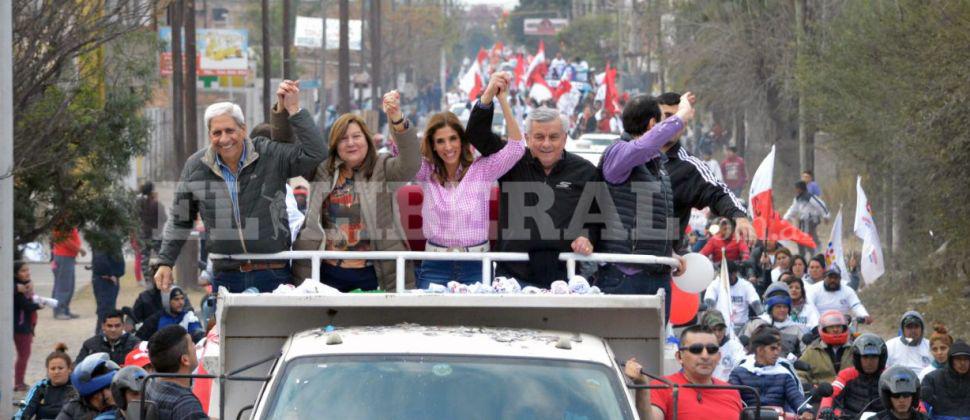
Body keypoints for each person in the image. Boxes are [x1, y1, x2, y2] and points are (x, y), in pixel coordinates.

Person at [155, 81, 326, 293]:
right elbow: (180, 219)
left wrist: (294, 110)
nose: (224, 139)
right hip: (226, 276)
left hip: (272, 272)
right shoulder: (196, 166)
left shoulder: (269, 153)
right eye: (217, 133)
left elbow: (316, 153)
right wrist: (165, 261)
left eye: (230, 130)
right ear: (209, 135)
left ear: (243, 129)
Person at [285, 91, 420, 292]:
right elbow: (291, 146)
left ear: (367, 139)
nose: (350, 143)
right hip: (325, 272)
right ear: (334, 144)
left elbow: (411, 163)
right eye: (343, 138)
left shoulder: (383, 168)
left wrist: (397, 119)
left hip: (374, 273)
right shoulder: (321, 169)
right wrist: (293, 110)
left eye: (356, 136)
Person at [464, 100, 597, 287]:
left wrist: (587, 237)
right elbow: (477, 134)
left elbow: (597, 217)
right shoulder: (512, 161)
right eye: (539, 137)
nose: (546, 144)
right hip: (512, 276)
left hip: (565, 276)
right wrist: (488, 97)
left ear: (565, 138)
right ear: (527, 138)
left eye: (553, 137)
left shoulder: (585, 171)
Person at [415, 74, 525, 287]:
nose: (448, 147)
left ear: (462, 141)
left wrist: (501, 98)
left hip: (476, 264)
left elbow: (516, 148)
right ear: (433, 145)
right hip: (435, 265)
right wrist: (395, 118)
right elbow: (402, 155)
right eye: (440, 141)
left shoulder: (481, 169)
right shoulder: (426, 171)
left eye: (453, 139)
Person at [593, 92, 695, 313]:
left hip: (657, 275)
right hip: (624, 276)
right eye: (664, 121)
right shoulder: (618, 153)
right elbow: (641, 147)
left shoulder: (658, 165)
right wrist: (682, 115)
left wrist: (669, 253)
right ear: (652, 124)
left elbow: (654, 218)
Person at [655, 92, 754, 255]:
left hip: (665, 260)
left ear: (684, 124)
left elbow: (718, 192)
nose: (672, 123)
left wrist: (740, 217)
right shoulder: (632, 154)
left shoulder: (689, 167)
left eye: (678, 117)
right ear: (653, 120)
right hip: (621, 258)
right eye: (666, 116)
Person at [648, 325, 743, 420]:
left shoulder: (732, 391)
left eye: (711, 350)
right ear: (679, 357)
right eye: (696, 350)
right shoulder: (662, 386)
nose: (705, 356)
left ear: (719, 357)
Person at [729, 327, 811, 419]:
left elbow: (796, 398)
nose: (777, 353)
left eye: (779, 348)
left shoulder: (784, 374)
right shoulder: (739, 372)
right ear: (760, 350)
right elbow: (731, 401)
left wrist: (805, 411)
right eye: (773, 348)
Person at [145, 325, 208, 419]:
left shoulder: (151, 385)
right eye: (192, 343)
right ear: (185, 360)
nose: (195, 347)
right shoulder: (188, 406)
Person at [819, 333, 888, 419]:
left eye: (874, 357)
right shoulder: (847, 374)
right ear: (857, 358)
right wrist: (825, 408)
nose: (869, 362)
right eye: (865, 357)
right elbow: (832, 392)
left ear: (881, 358)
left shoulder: (888, 376)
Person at [743, 282, 809, 357]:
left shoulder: (796, 329)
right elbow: (743, 349)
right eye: (778, 306)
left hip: (787, 363)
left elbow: (805, 353)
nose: (782, 310)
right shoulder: (756, 324)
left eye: (785, 307)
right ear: (769, 309)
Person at [16, 344, 77, 420]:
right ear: (47, 370)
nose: (56, 372)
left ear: (69, 369)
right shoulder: (40, 387)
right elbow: (23, 413)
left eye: (60, 368)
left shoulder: (77, 388)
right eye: (53, 369)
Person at [797, 310, 855, 388]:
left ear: (844, 328)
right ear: (823, 329)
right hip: (821, 392)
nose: (835, 330)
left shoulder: (854, 348)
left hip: (850, 391)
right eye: (831, 327)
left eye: (838, 326)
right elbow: (799, 373)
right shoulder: (812, 350)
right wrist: (810, 387)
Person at [703, 262, 763, 334]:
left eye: (728, 275)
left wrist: (762, 317)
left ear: (735, 273)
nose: (725, 278)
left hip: (742, 327)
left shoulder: (746, 285)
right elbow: (709, 302)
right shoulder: (715, 284)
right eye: (722, 275)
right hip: (720, 326)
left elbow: (756, 304)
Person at [56, 353, 119, 420]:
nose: (115, 390)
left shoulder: (121, 407)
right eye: (109, 387)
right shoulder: (72, 410)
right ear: (96, 394)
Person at [920, 340, 970, 417]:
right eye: (958, 359)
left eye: (966, 359)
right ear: (951, 360)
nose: (963, 363)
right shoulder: (932, 379)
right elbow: (921, 404)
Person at [136, 286, 205, 342]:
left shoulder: (189, 317)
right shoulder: (156, 320)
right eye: (176, 299)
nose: (181, 302)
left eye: (182, 298)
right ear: (167, 301)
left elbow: (197, 332)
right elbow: (140, 339)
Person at [89, 231, 125, 334]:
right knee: (105, 310)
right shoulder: (104, 236)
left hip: (111, 279)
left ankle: (104, 334)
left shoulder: (112, 234)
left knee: (108, 309)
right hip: (105, 280)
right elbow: (100, 258)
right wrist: (109, 274)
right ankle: (101, 335)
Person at [76, 309, 141, 367]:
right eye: (109, 326)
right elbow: (78, 366)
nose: (113, 330)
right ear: (103, 326)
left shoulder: (135, 344)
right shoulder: (90, 345)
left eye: (117, 326)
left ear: (123, 326)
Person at [807, 268, 872, 325]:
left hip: (843, 325)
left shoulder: (848, 290)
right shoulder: (814, 289)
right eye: (830, 277)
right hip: (820, 325)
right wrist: (817, 322)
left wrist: (864, 315)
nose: (833, 280)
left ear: (840, 279)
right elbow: (810, 307)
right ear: (824, 278)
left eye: (836, 278)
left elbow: (856, 305)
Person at [783, 181, 830, 257]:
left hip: (811, 220)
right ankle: (807, 252)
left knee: (804, 237)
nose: (796, 190)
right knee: (804, 237)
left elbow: (820, 205)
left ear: (801, 189)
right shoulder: (798, 199)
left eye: (797, 188)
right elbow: (793, 209)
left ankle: (813, 252)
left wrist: (826, 216)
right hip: (803, 221)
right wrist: (785, 218)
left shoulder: (810, 197)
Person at [14, 262, 41, 391]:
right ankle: (19, 383)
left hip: (26, 325)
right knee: (24, 354)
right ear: (15, 273)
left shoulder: (25, 285)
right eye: (23, 271)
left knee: (24, 354)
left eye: (28, 270)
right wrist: (39, 305)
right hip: (20, 326)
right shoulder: (17, 288)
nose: (27, 273)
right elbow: (26, 306)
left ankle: (19, 382)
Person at [700, 310, 746, 382]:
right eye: (713, 329)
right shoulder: (697, 348)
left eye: (720, 329)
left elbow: (741, 368)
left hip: (728, 386)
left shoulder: (734, 346)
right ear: (705, 330)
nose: (717, 333)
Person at [51, 227, 86, 319]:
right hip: (64, 255)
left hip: (67, 256)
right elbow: (65, 240)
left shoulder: (67, 222)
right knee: (64, 285)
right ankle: (59, 311)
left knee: (68, 285)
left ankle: (64, 309)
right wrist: (79, 249)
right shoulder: (62, 223)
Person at [136, 182, 165, 285]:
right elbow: (164, 218)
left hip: (144, 234)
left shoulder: (139, 204)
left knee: (144, 259)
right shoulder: (156, 204)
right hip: (156, 234)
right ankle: (160, 277)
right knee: (161, 257)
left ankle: (148, 280)